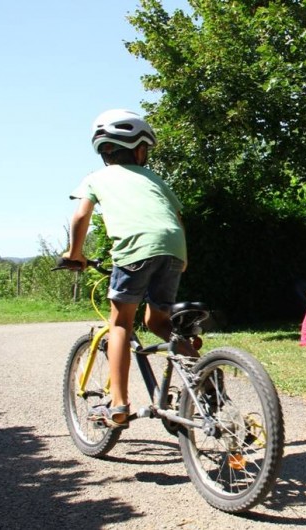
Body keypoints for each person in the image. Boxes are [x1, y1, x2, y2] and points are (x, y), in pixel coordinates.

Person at [63, 109, 187, 429]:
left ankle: (117, 406)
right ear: (139, 149)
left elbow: (81, 217)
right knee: (157, 320)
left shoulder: (96, 178)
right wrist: (180, 257)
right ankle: (205, 380)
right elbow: (177, 219)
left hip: (133, 251)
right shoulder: (156, 179)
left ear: (105, 150)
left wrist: (75, 253)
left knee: (120, 324)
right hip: (173, 249)